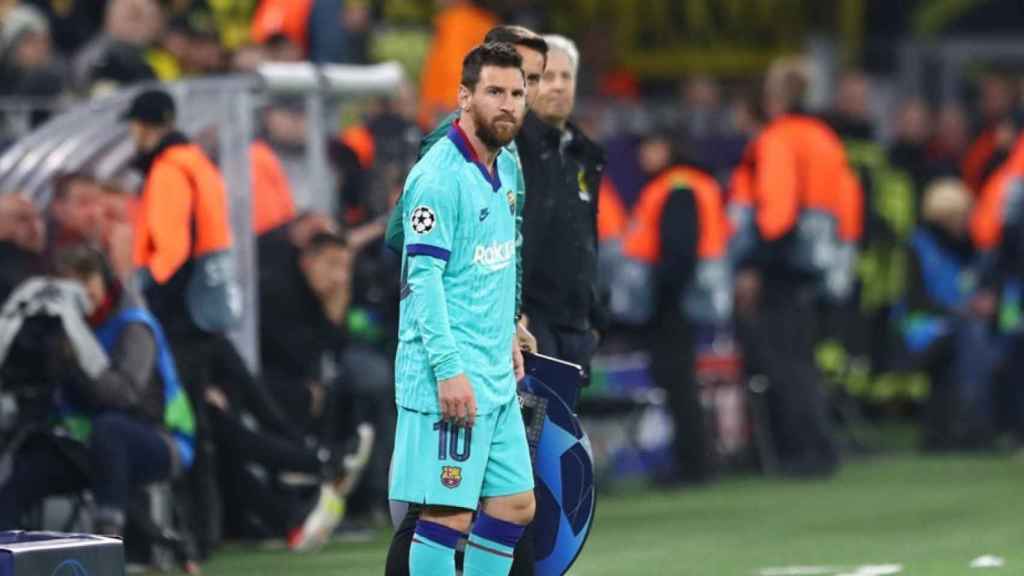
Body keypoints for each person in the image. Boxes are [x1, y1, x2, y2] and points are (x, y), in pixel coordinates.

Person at [384, 26, 547, 576]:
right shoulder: (436, 177)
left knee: (514, 504)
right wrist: (450, 370)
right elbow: (422, 280)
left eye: (517, 93)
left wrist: (507, 332)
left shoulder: (505, 166)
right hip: (448, 377)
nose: (507, 105)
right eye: (494, 92)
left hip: (494, 372)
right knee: (448, 513)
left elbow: (496, 263)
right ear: (464, 96)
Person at [0, 246, 194, 555]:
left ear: (100, 280)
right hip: (88, 446)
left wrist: (80, 354)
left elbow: (123, 396)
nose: (83, 296)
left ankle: (108, 544)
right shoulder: (62, 327)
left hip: (158, 439)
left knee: (110, 430)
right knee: (30, 465)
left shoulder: (133, 326)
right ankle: (7, 557)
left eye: (86, 283)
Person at [728, 66, 861, 477]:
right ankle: (818, 447)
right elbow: (848, 202)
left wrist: (753, 265)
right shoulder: (824, 137)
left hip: (783, 265)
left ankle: (808, 453)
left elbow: (778, 214)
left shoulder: (778, 139)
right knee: (802, 360)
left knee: (785, 364)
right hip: (820, 263)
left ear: (773, 99)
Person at [123, 87, 236, 557]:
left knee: (183, 427)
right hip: (207, 308)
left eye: (135, 127)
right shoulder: (199, 164)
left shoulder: (169, 171)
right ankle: (207, 533)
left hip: (181, 315)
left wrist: (146, 294)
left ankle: (190, 540)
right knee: (206, 428)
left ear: (149, 126)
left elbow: (169, 250)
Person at [617, 131, 729, 485]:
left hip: (674, 302)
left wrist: (661, 293)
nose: (642, 157)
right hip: (682, 299)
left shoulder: (677, 186)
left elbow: (679, 251)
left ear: (666, 148)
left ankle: (694, 465)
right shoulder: (682, 184)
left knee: (678, 382)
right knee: (679, 381)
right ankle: (694, 461)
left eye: (649, 148)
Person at [518, 34, 606, 381]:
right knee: (534, 432)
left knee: (559, 430)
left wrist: (597, 319)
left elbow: (588, 237)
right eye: (546, 77)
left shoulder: (584, 155)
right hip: (531, 323)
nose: (557, 86)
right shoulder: (513, 148)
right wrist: (515, 313)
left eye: (565, 77)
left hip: (575, 327)